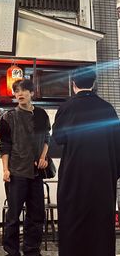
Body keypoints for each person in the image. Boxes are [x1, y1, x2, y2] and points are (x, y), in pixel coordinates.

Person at [52, 66, 120, 256]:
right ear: (94, 83)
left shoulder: (66, 107)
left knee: (73, 219)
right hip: (102, 178)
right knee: (100, 222)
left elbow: (58, 139)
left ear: (73, 84)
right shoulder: (107, 108)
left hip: (75, 176)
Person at [0, 79, 51, 256]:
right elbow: (4, 146)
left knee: (36, 215)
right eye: (16, 91)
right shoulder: (8, 117)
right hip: (16, 172)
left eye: (23, 90)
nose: (19, 94)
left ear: (31, 93)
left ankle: (32, 250)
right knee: (13, 216)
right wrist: (5, 169)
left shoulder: (42, 114)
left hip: (36, 173)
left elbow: (46, 139)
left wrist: (43, 157)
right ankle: (11, 251)